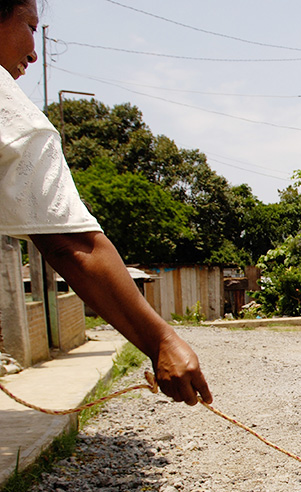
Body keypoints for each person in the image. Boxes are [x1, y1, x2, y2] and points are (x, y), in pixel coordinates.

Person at [0, 0, 212, 405]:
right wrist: (162, 339)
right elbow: (71, 245)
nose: (33, 51)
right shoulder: (16, 121)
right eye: (29, 25)